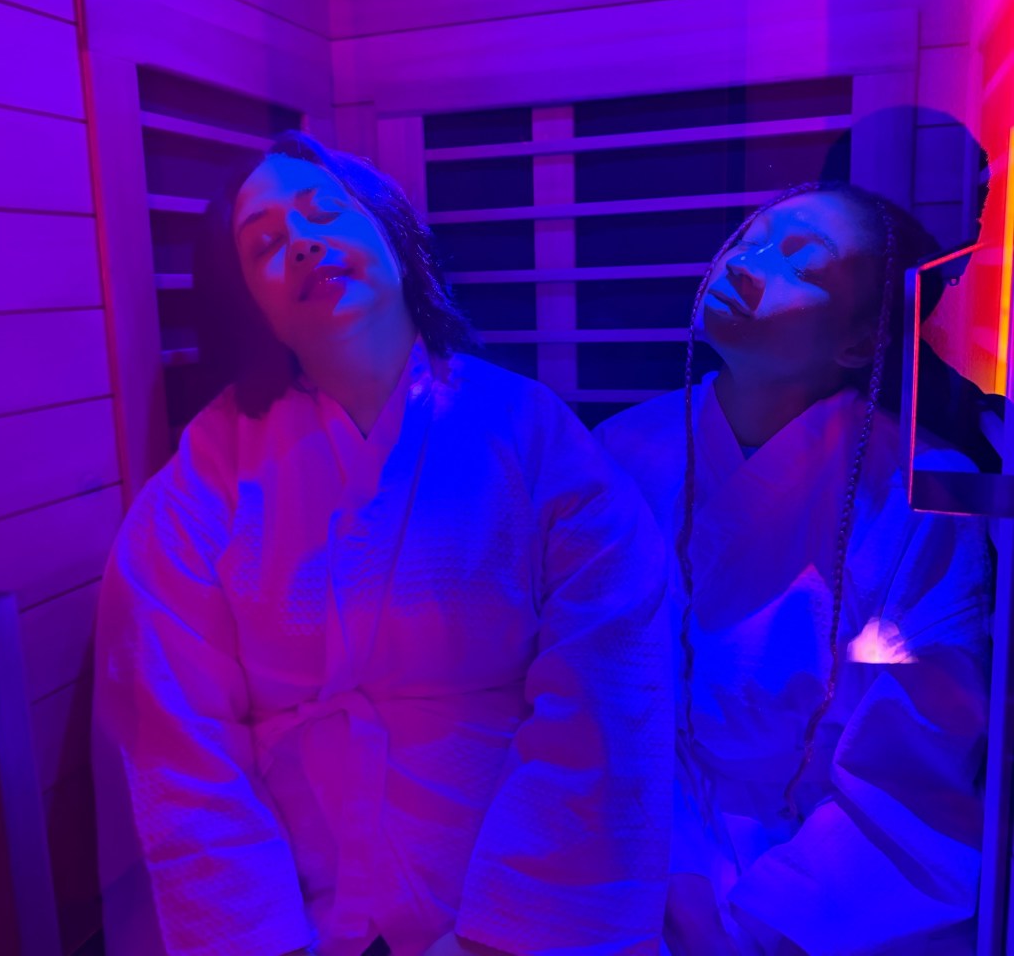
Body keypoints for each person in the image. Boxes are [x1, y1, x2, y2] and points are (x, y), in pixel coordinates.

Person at [92, 131, 672, 956]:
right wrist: (264, 938)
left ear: (392, 230)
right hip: (294, 898)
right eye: (263, 244)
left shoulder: (529, 432)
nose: (301, 241)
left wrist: (504, 931)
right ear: (249, 302)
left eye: (324, 211)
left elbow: (608, 679)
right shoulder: (205, 480)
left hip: (503, 885)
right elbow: (173, 734)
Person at [595, 182, 992, 955]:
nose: (745, 265)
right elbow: (586, 693)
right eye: (750, 238)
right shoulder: (618, 451)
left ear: (858, 344)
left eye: (802, 264)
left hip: (830, 884)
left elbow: (908, 771)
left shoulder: (919, 496)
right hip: (635, 841)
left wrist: (763, 927)